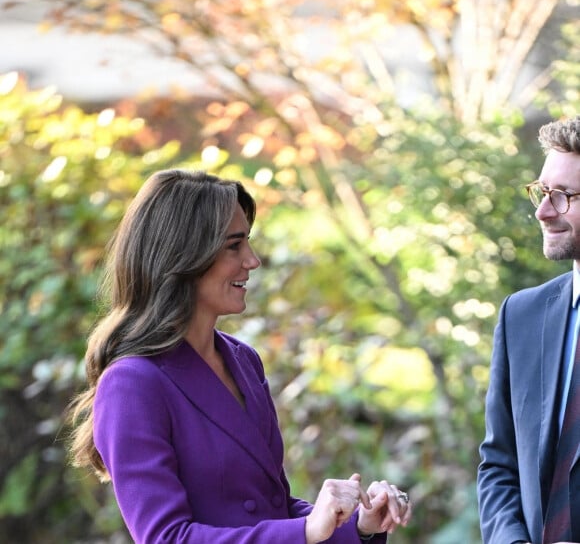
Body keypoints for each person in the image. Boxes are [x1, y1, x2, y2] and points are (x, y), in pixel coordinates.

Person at [67, 169, 412, 543]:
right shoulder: (132, 383)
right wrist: (306, 530)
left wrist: (358, 524)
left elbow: (273, 509)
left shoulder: (242, 360)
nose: (252, 260)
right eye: (234, 246)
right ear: (184, 257)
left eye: (247, 242)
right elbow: (166, 537)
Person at [478, 115, 580, 544]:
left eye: (563, 196)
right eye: (542, 192)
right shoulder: (521, 315)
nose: (542, 211)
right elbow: (499, 463)